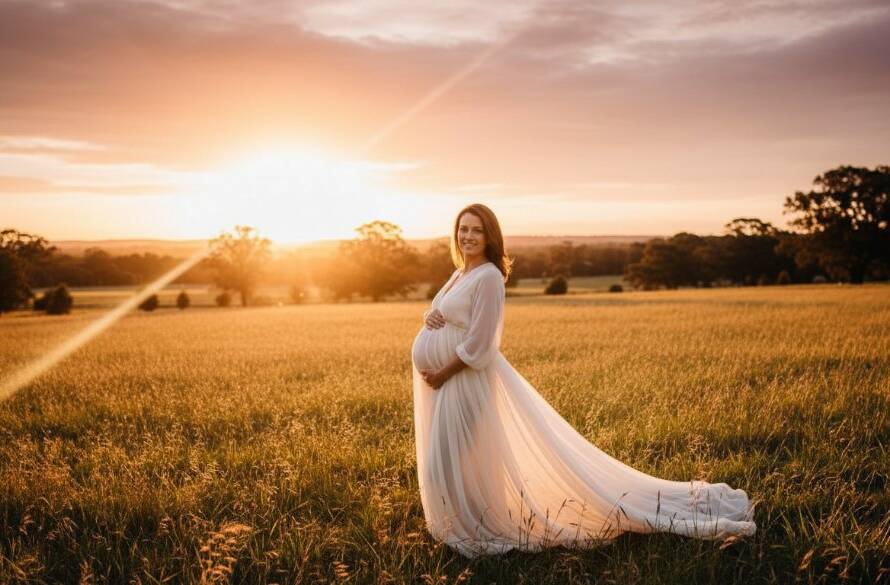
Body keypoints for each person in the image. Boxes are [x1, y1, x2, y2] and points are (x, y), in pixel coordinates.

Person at [410, 203, 756, 559]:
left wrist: (441, 372)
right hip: (445, 383)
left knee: (445, 463)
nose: (467, 236)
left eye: (476, 230)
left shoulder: (488, 276)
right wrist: (430, 317)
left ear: (490, 237)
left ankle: (474, 526)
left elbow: (482, 343)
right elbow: (446, 309)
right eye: (463, 229)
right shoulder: (461, 272)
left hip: (463, 382)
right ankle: (465, 519)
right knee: (459, 461)